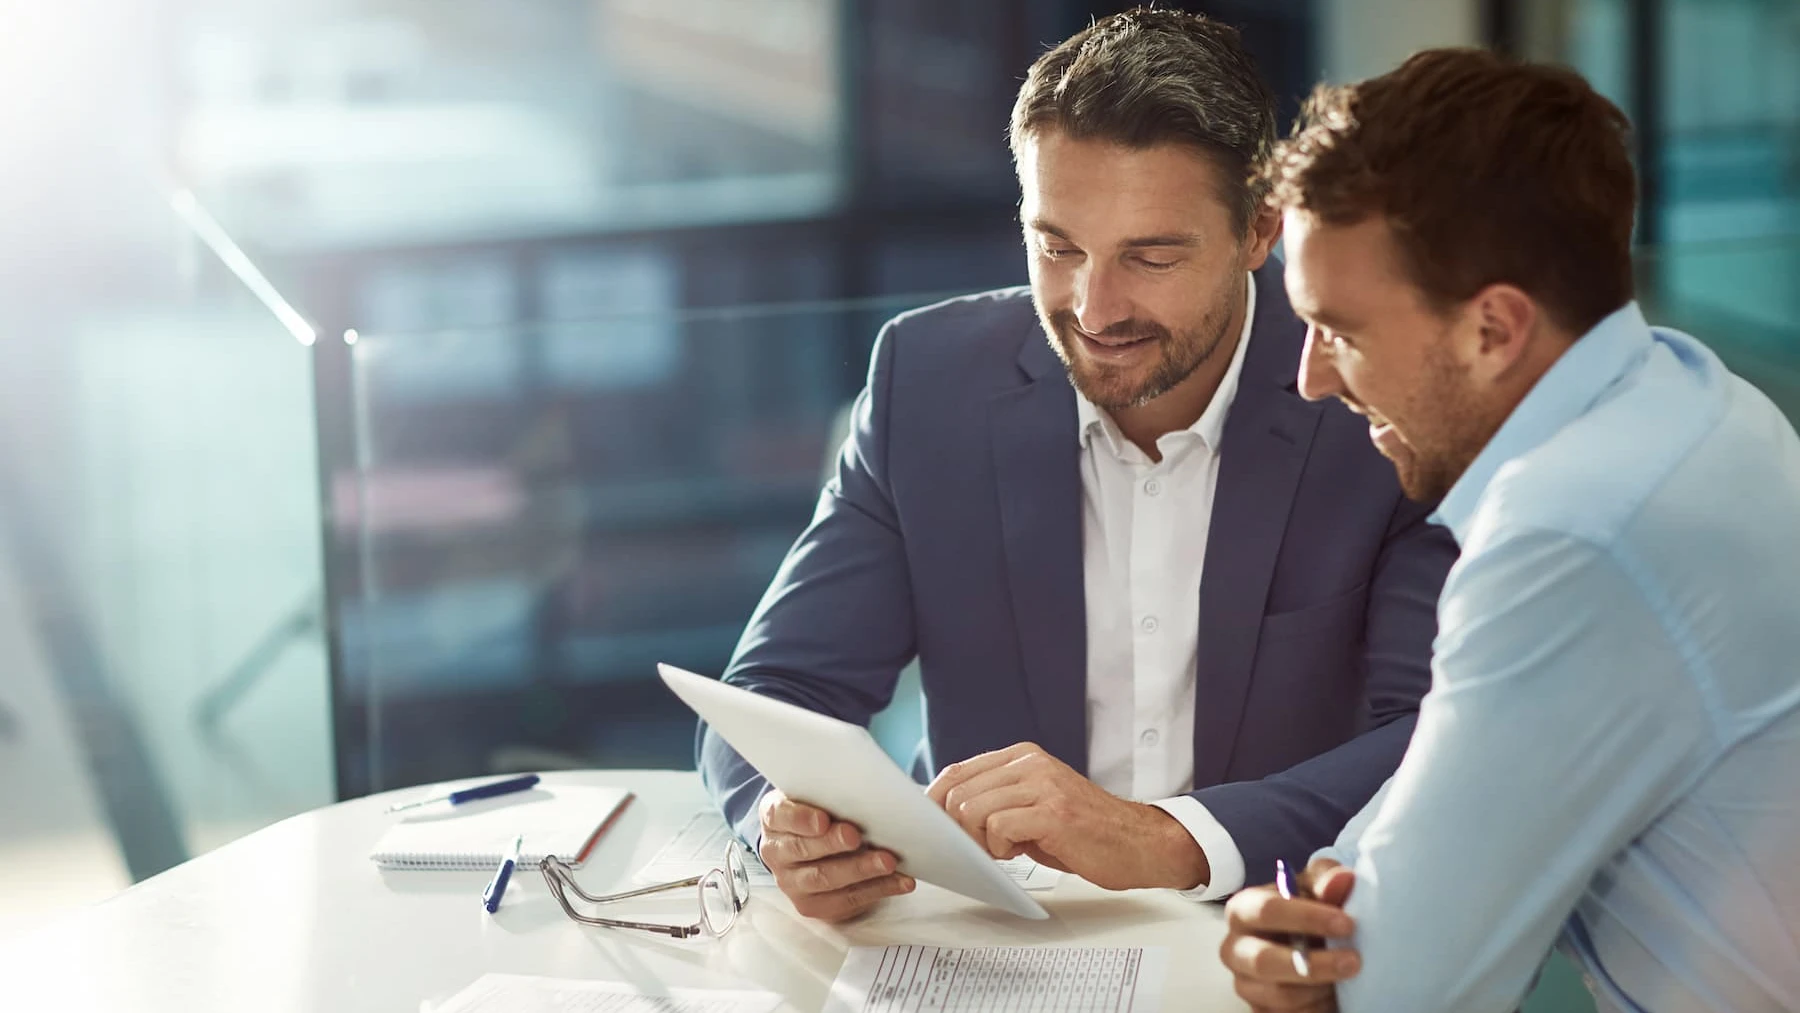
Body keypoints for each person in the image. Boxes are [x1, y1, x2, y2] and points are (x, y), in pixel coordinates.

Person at [699, 9, 1457, 924]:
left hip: (1265, 928)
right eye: (1057, 247)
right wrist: (788, 821)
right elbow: (773, 694)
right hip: (986, 936)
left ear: (1260, 233)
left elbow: (1435, 736)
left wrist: (1167, 838)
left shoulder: (1371, 401)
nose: (1094, 308)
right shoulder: (927, 382)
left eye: (1152, 255)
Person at [1219, 47, 1800, 1012]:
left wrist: (1309, 949)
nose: (1313, 377)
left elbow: (1394, 988)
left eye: (1343, 331)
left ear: (1494, 329)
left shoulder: (1575, 536)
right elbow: (1373, 877)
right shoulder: (1690, 394)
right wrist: (1311, 908)